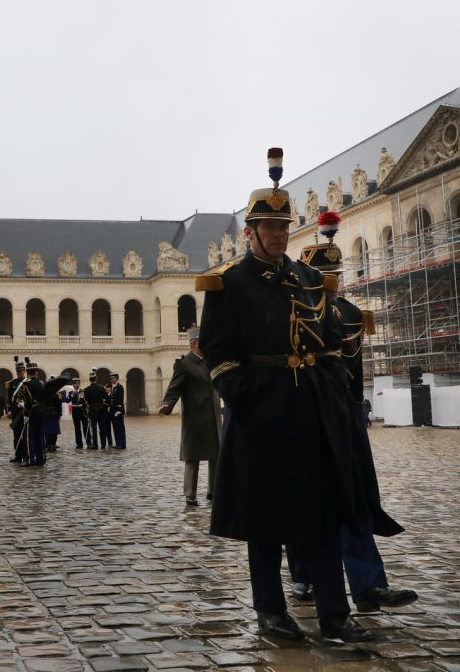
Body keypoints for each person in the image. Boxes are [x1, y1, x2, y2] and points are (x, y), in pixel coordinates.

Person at [198, 147, 372, 642]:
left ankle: (335, 612)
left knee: (320, 511)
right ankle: (270, 611)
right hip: (261, 413)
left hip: (312, 409)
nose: (277, 235)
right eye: (268, 228)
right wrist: (244, 396)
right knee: (264, 520)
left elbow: (333, 340)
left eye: (283, 227)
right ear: (249, 233)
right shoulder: (229, 283)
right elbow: (217, 350)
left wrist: (334, 387)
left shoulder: (309, 278)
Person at [285, 214, 418, 614]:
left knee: (355, 500)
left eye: (336, 273)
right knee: (306, 502)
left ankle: (369, 585)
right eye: (324, 273)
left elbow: (354, 373)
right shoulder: (296, 313)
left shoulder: (351, 315)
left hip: (345, 420)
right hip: (306, 420)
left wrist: (358, 416)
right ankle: (304, 574)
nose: (332, 279)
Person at [159, 325, 220, 506]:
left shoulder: (210, 362)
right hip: (195, 418)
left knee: (215, 456)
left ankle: (213, 491)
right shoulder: (184, 364)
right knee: (192, 457)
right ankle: (190, 493)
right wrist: (167, 405)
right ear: (195, 343)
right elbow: (174, 388)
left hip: (213, 417)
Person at [63, 378, 90, 448]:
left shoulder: (83, 392)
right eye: (75, 383)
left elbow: (87, 401)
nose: (76, 385)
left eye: (77, 383)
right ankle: (79, 444)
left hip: (83, 411)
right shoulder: (71, 393)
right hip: (75, 411)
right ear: (73, 385)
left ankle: (89, 443)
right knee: (77, 429)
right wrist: (72, 395)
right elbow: (66, 400)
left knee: (85, 428)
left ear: (79, 384)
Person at [83, 375, 107, 450]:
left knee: (94, 429)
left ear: (90, 380)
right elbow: (105, 398)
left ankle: (95, 445)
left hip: (92, 410)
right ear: (96, 379)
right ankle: (103, 445)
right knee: (102, 428)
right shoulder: (101, 388)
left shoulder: (87, 389)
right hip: (101, 410)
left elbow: (86, 401)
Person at [107, 373, 127, 449]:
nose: (111, 380)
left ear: (116, 378)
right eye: (111, 379)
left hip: (118, 411)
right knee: (115, 428)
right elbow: (112, 399)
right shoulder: (114, 388)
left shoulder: (119, 387)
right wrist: (109, 406)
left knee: (120, 428)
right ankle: (118, 443)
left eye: (113, 378)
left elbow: (120, 399)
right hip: (113, 411)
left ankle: (122, 444)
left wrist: (119, 409)